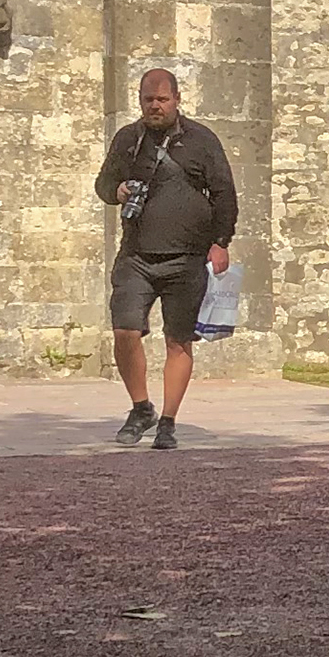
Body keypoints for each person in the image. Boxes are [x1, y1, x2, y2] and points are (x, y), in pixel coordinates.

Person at [95, 65, 236, 450]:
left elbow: (224, 194)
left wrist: (220, 242)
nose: (155, 106)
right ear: (139, 100)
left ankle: (169, 421)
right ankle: (141, 407)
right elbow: (103, 184)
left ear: (176, 99)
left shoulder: (202, 141)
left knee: (178, 341)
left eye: (161, 99)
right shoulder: (128, 139)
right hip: (137, 256)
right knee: (125, 331)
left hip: (187, 259)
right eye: (148, 100)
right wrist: (118, 190)